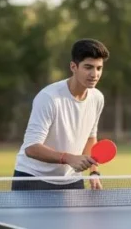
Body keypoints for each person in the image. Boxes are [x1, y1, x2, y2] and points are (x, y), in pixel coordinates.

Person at [12, 39, 108, 191]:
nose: (94, 74)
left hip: (71, 180)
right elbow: (31, 148)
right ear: (73, 67)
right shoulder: (49, 97)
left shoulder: (97, 98)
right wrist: (68, 158)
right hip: (34, 178)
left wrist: (94, 171)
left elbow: (90, 137)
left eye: (99, 68)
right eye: (88, 67)